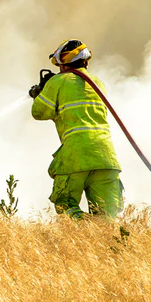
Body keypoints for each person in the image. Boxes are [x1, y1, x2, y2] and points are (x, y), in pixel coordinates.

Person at [29, 40, 123, 219]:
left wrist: (38, 94)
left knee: (65, 204)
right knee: (107, 217)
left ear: (62, 63)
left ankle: (83, 228)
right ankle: (104, 240)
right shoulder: (98, 83)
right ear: (86, 62)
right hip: (106, 157)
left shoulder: (58, 82)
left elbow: (39, 112)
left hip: (76, 155)